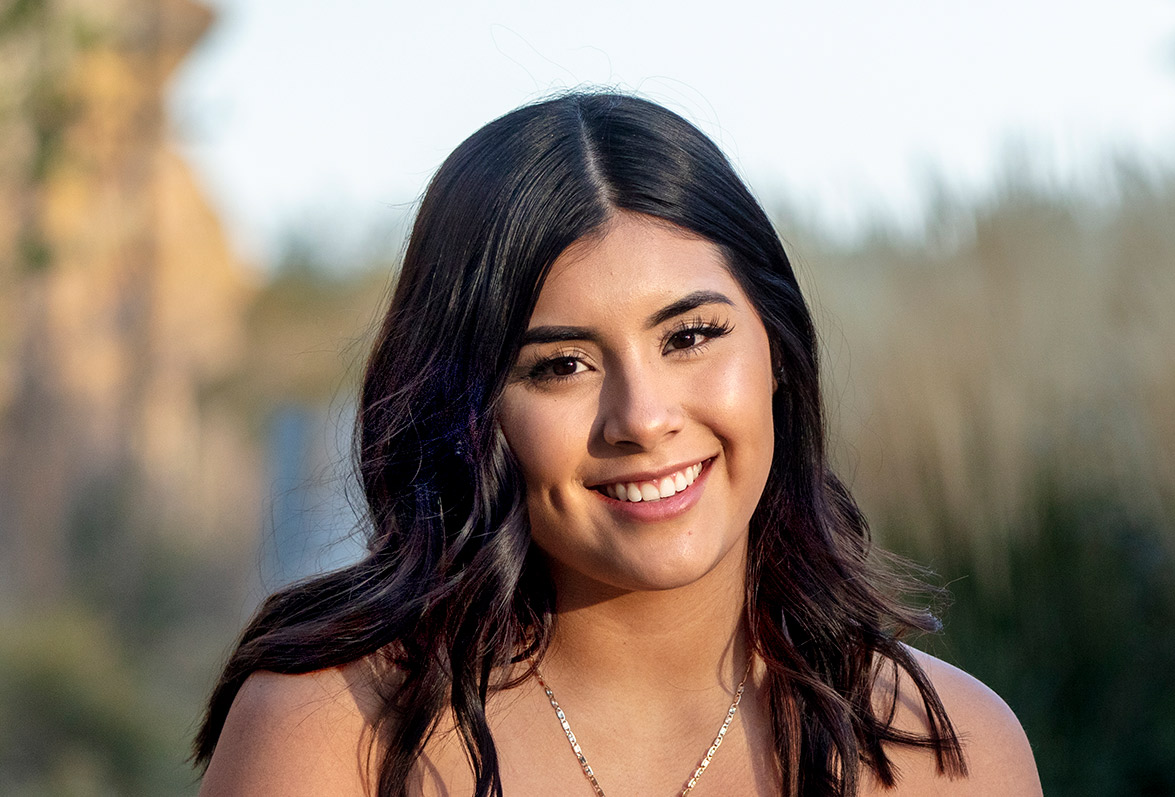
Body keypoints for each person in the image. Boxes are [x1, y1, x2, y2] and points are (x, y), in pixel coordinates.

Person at [193, 91, 1041, 796]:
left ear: (777, 349)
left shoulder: (954, 755)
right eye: (560, 364)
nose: (641, 416)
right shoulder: (334, 737)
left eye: (690, 337)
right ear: (473, 408)